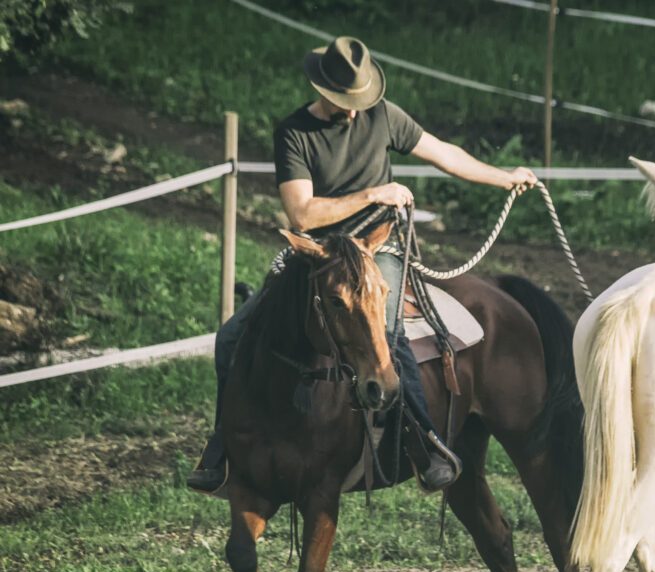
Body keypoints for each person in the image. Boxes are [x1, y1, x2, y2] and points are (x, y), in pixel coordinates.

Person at [188, 35, 537, 494]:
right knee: (233, 336)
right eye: (344, 101)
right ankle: (222, 446)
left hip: (379, 247)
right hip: (318, 254)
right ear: (323, 90)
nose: (354, 111)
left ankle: (424, 440)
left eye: (358, 100)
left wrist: (503, 177)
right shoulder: (294, 133)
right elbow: (302, 214)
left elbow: (444, 152)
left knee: (386, 331)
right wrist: (374, 193)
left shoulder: (383, 116)